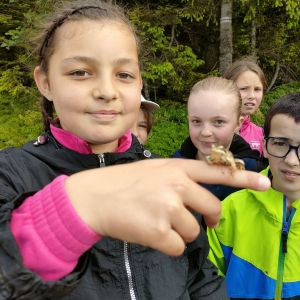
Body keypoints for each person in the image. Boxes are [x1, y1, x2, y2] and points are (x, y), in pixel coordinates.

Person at [0, 1, 271, 299]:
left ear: (140, 84)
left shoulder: (163, 177)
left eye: (124, 75)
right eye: (80, 72)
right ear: (45, 82)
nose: (107, 90)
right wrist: (68, 213)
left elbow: (198, 275)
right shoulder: (10, 173)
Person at [207, 92, 300, 299]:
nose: (292, 160)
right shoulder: (229, 211)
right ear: (265, 146)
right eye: (280, 143)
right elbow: (206, 282)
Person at [172, 77, 266, 202]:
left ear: (238, 124)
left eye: (218, 122)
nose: (205, 132)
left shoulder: (255, 173)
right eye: (196, 121)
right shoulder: (172, 168)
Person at [223, 59, 267, 156]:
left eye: (257, 89)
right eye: (243, 89)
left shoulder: (262, 134)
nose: (252, 95)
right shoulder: (211, 130)